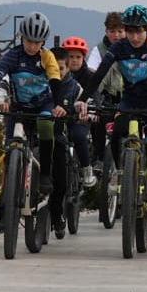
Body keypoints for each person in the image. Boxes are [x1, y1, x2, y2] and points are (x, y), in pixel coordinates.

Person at [74, 4, 147, 240]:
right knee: (117, 134)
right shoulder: (118, 47)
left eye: (140, 31)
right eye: (130, 31)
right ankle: (120, 172)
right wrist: (82, 99)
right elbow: (99, 75)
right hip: (129, 103)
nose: (135, 37)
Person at [0, 11, 67, 238]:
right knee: (10, 158)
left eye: (37, 42)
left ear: (43, 42)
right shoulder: (12, 56)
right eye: (28, 41)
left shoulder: (47, 58)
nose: (32, 46)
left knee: (46, 124)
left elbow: (55, 82)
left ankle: (45, 175)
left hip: (43, 105)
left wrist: (59, 105)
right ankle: (0, 219)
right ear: (21, 37)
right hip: (19, 109)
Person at [46, 46, 84, 238]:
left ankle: (57, 214)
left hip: (61, 135)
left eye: (60, 68)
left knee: (61, 181)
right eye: (51, 68)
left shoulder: (75, 87)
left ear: (68, 68)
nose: (56, 72)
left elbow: (86, 102)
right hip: (40, 135)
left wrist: (84, 112)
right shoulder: (40, 83)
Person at [86, 12, 126, 174]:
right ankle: (100, 157)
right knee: (98, 118)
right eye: (112, 31)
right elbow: (92, 73)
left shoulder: (131, 48)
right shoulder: (99, 50)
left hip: (128, 96)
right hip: (106, 96)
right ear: (106, 31)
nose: (116, 35)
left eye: (120, 31)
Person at [60, 36, 96, 187]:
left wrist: (89, 114)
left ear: (83, 58)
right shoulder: (58, 74)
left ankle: (86, 169)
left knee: (79, 135)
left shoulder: (90, 77)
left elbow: (96, 99)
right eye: (71, 57)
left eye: (78, 57)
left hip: (80, 118)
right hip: (60, 116)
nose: (74, 60)